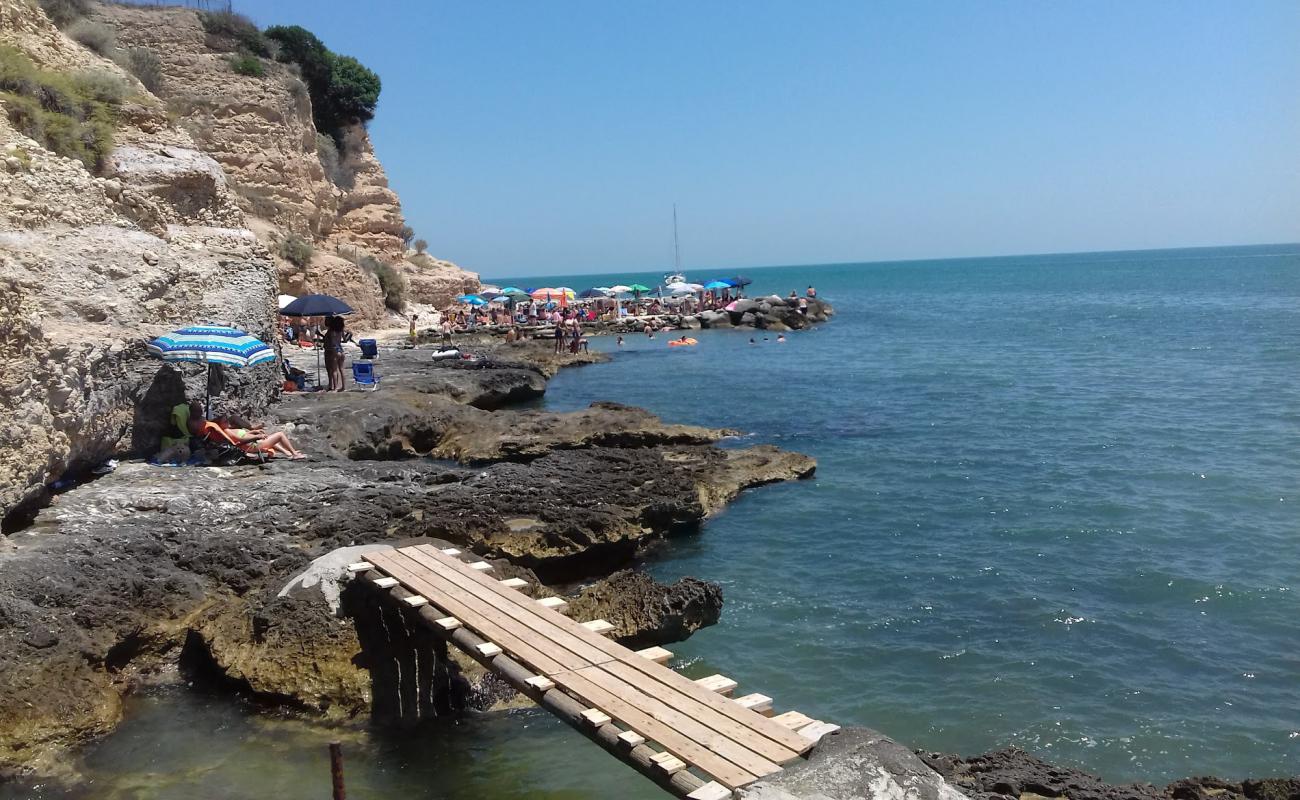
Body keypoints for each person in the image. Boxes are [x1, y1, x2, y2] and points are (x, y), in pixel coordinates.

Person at [323, 316, 346, 392]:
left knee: (334, 370)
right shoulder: (341, 331)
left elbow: (332, 343)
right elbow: (345, 339)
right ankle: (343, 387)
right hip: (341, 350)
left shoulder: (331, 332)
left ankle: (335, 388)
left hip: (334, 351)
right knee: (342, 369)